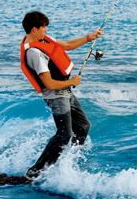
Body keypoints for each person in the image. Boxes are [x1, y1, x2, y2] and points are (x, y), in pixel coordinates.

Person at [20, 11, 103, 179]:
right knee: (64, 134)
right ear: (34, 29)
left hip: (65, 91)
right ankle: (35, 172)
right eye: (43, 28)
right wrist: (72, 82)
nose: (46, 30)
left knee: (83, 126)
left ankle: (67, 162)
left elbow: (67, 45)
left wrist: (89, 38)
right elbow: (49, 84)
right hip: (56, 95)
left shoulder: (41, 39)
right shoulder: (34, 53)